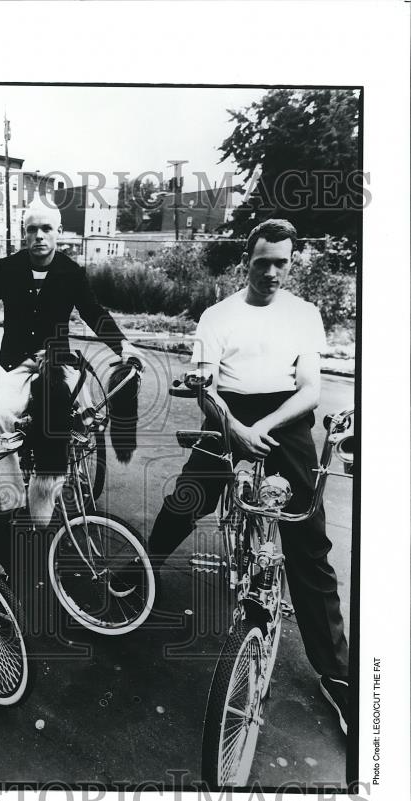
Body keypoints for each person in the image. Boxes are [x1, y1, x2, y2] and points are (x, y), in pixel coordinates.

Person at [147, 219, 350, 734]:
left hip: (285, 421)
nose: (273, 272)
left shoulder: (304, 314)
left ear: (291, 261)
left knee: (308, 540)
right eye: (263, 262)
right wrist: (234, 428)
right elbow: (204, 387)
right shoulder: (219, 315)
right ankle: (141, 574)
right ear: (247, 261)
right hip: (227, 416)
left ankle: (337, 674)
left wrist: (262, 427)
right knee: (186, 500)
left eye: (282, 262)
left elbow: (309, 390)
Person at [0, 199, 145, 525]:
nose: (39, 236)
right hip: (15, 362)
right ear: (25, 234)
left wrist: (123, 346)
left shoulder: (71, 272)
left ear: (59, 232)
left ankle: (57, 478)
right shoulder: (7, 269)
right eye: (32, 229)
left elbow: (94, 312)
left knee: (84, 419)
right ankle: (11, 496)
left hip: (57, 361)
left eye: (46, 229)